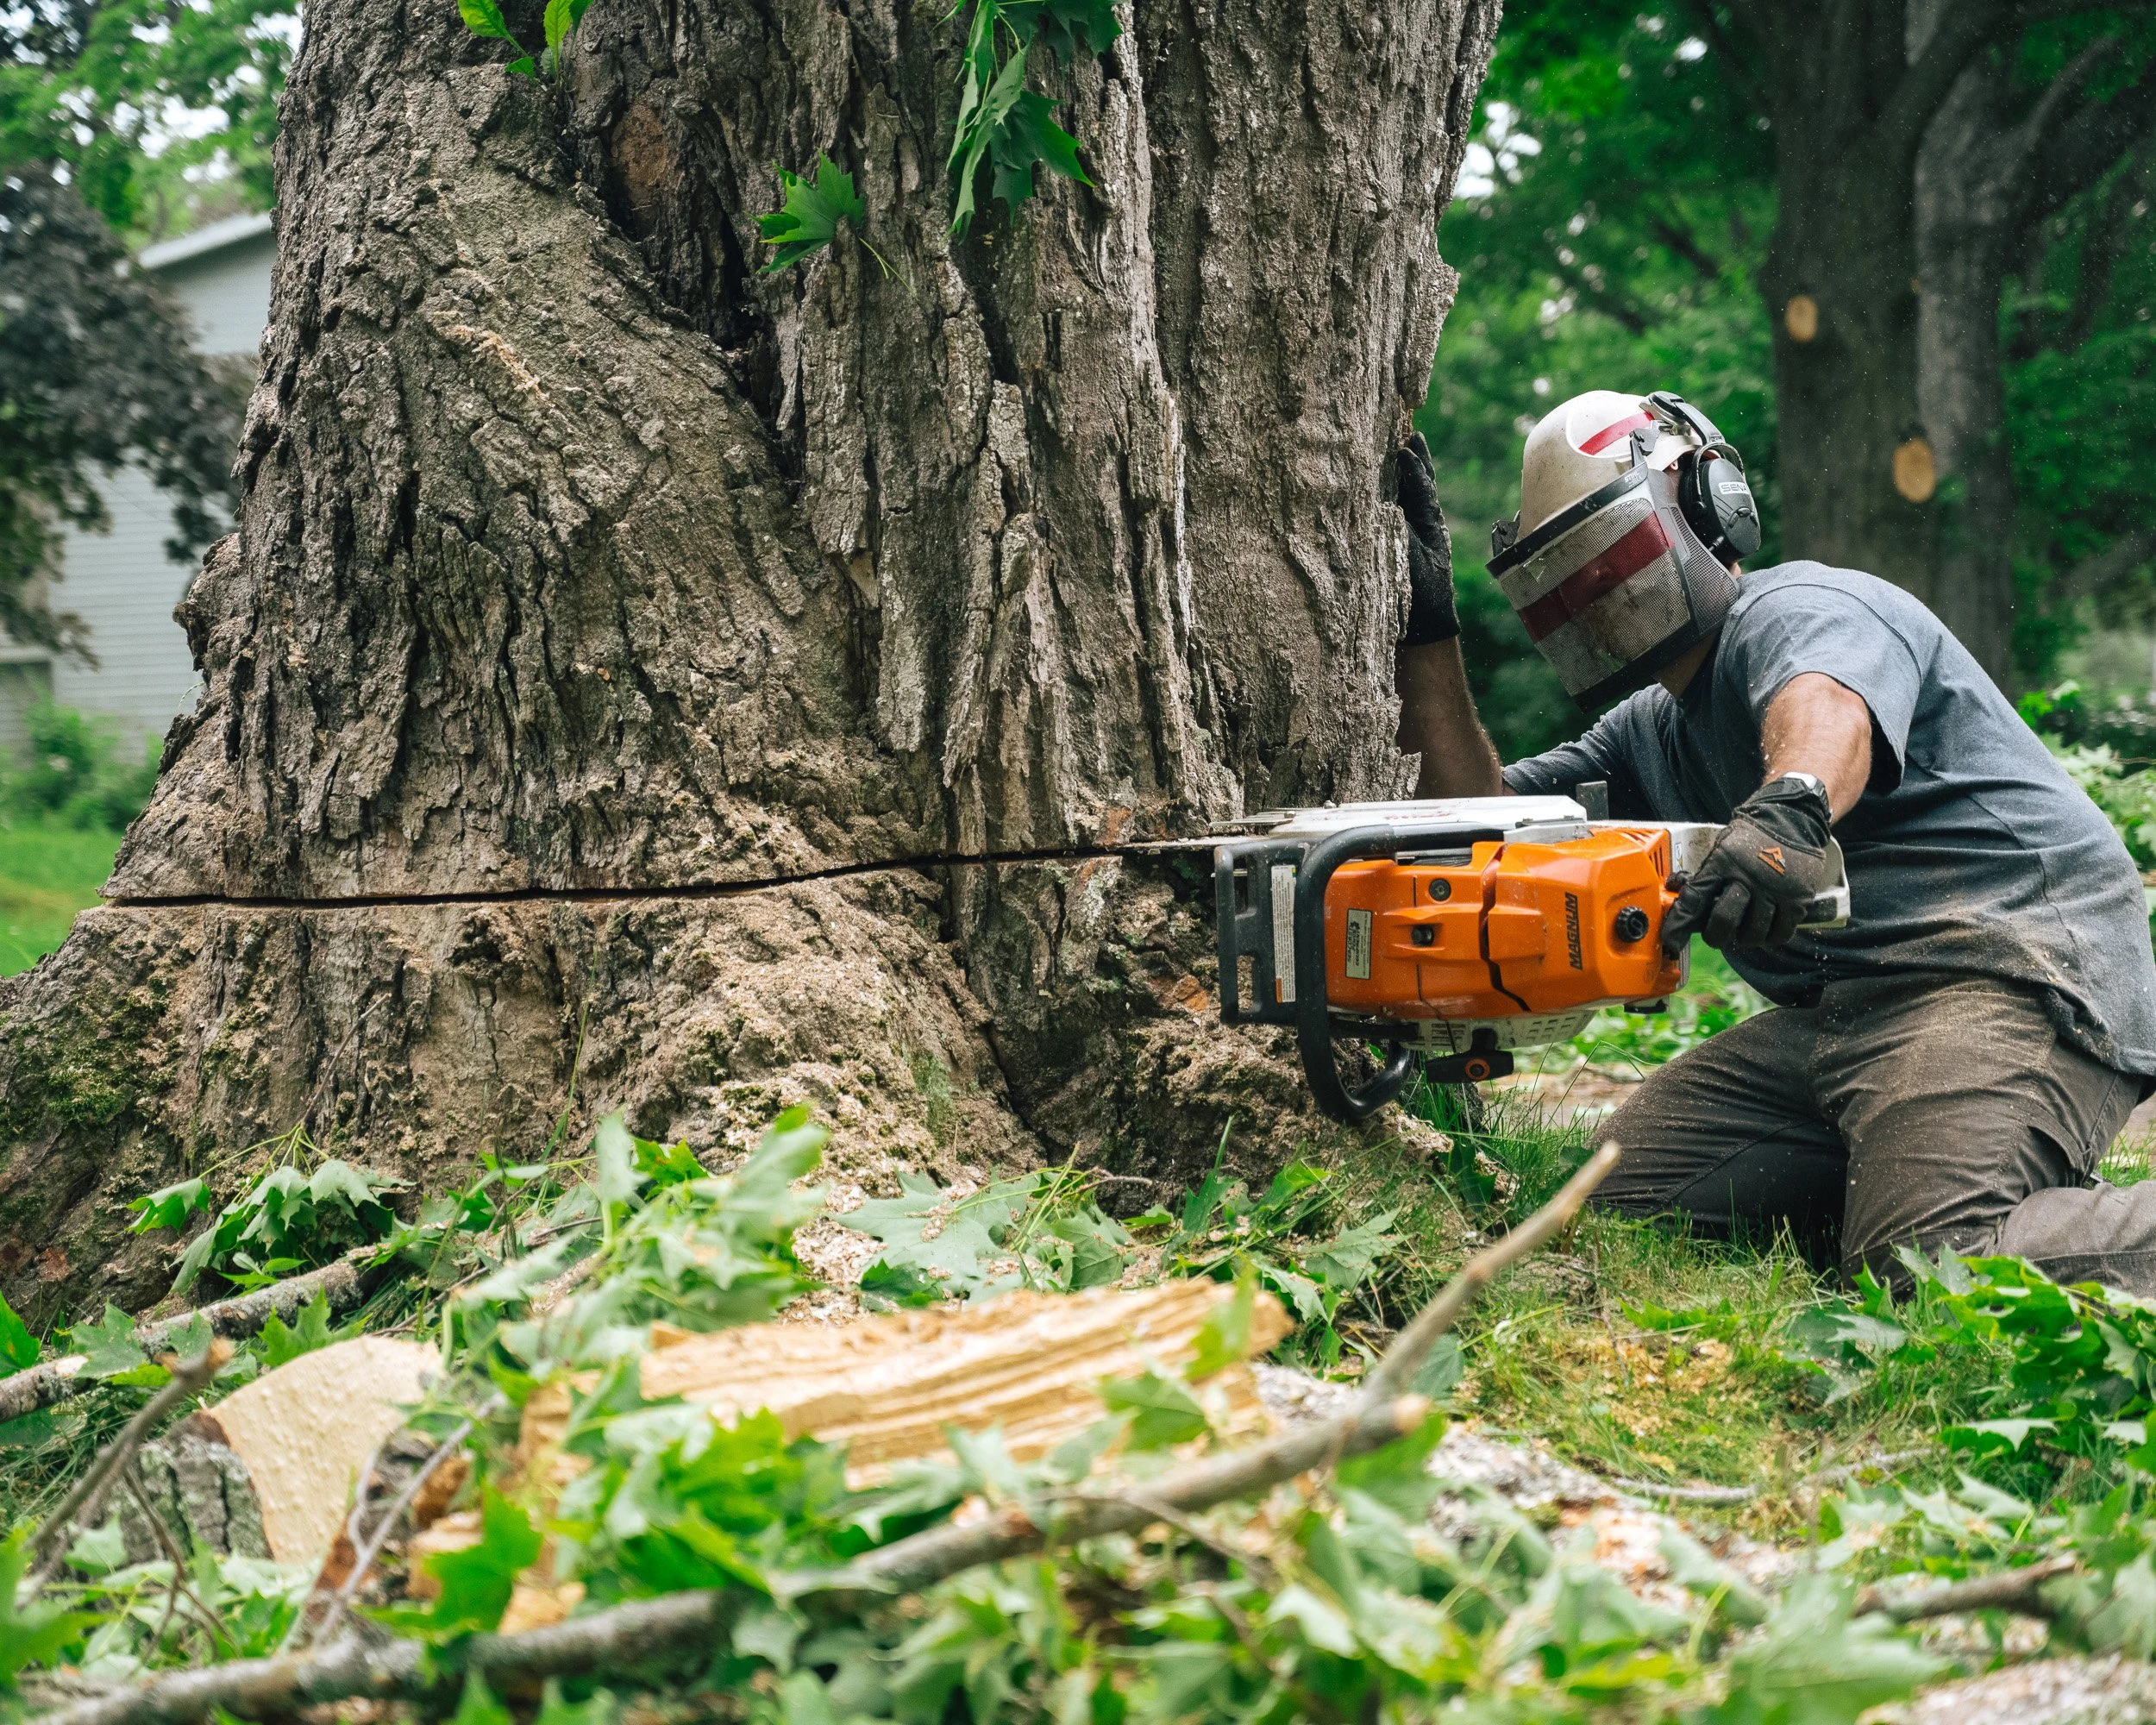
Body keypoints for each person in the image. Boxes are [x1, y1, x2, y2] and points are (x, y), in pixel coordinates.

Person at [1393, 387, 2156, 1293]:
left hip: (2007, 972)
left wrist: (1789, 805)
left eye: (1618, 552)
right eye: (1571, 576)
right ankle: (1953, 1177)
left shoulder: (1804, 607)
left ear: (1712, 509)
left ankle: (1950, 1203)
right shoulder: (1645, 732)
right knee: (1614, 1201)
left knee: (1928, 1265)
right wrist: (1424, 632)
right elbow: (1475, 824)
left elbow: (1823, 706)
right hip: (1839, 1017)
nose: (1603, 590)